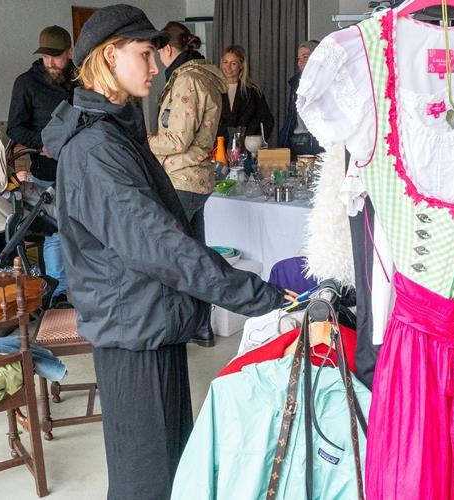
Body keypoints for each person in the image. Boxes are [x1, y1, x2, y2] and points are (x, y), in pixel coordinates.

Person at [42, 5, 295, 499]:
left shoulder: (113, 131)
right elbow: (162, 247)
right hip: (135, 327)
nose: (156, 68)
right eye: (144, 55)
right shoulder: (96, 147)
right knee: (150, 482)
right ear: (109, 56)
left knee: (172, 470)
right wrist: (265, 298)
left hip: (148, 320)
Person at [148, 21, 225, 347]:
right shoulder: (202, 75)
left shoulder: (187, 80)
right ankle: (200, 327)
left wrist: (144, 142)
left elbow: (176, 138)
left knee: (174, 258)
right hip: (195, 179)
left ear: (167, 49)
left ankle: (181, 327)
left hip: (180, 178)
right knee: (195, 256)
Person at [7, 26, 76, 307]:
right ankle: (58, 294)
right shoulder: (26, 82)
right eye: (46, 57)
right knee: (56, 231)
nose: (50, 62)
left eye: (56, 57)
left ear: (69, 53)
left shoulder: (80, 81)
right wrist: (42, 142)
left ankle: (84, 288)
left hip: (78, 169)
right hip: (46, 171)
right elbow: (14, 128)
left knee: (85, 230)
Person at [216, 44, 274, 138]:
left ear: (241, 65)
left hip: (246, 149)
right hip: (218, 148)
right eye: (225, 62)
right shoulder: (213, 90)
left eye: (233, 63)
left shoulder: (253, 92)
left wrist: (253, 142)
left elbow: (267, 121)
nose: (228, 67)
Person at [278, 40, 324, 155]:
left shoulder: (327, 82)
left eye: (305, 56)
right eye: (299, 58)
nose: (301, 61)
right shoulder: (295, 83)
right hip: (297, 142)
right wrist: (283, 141)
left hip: (320, 143)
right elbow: (291, 116)